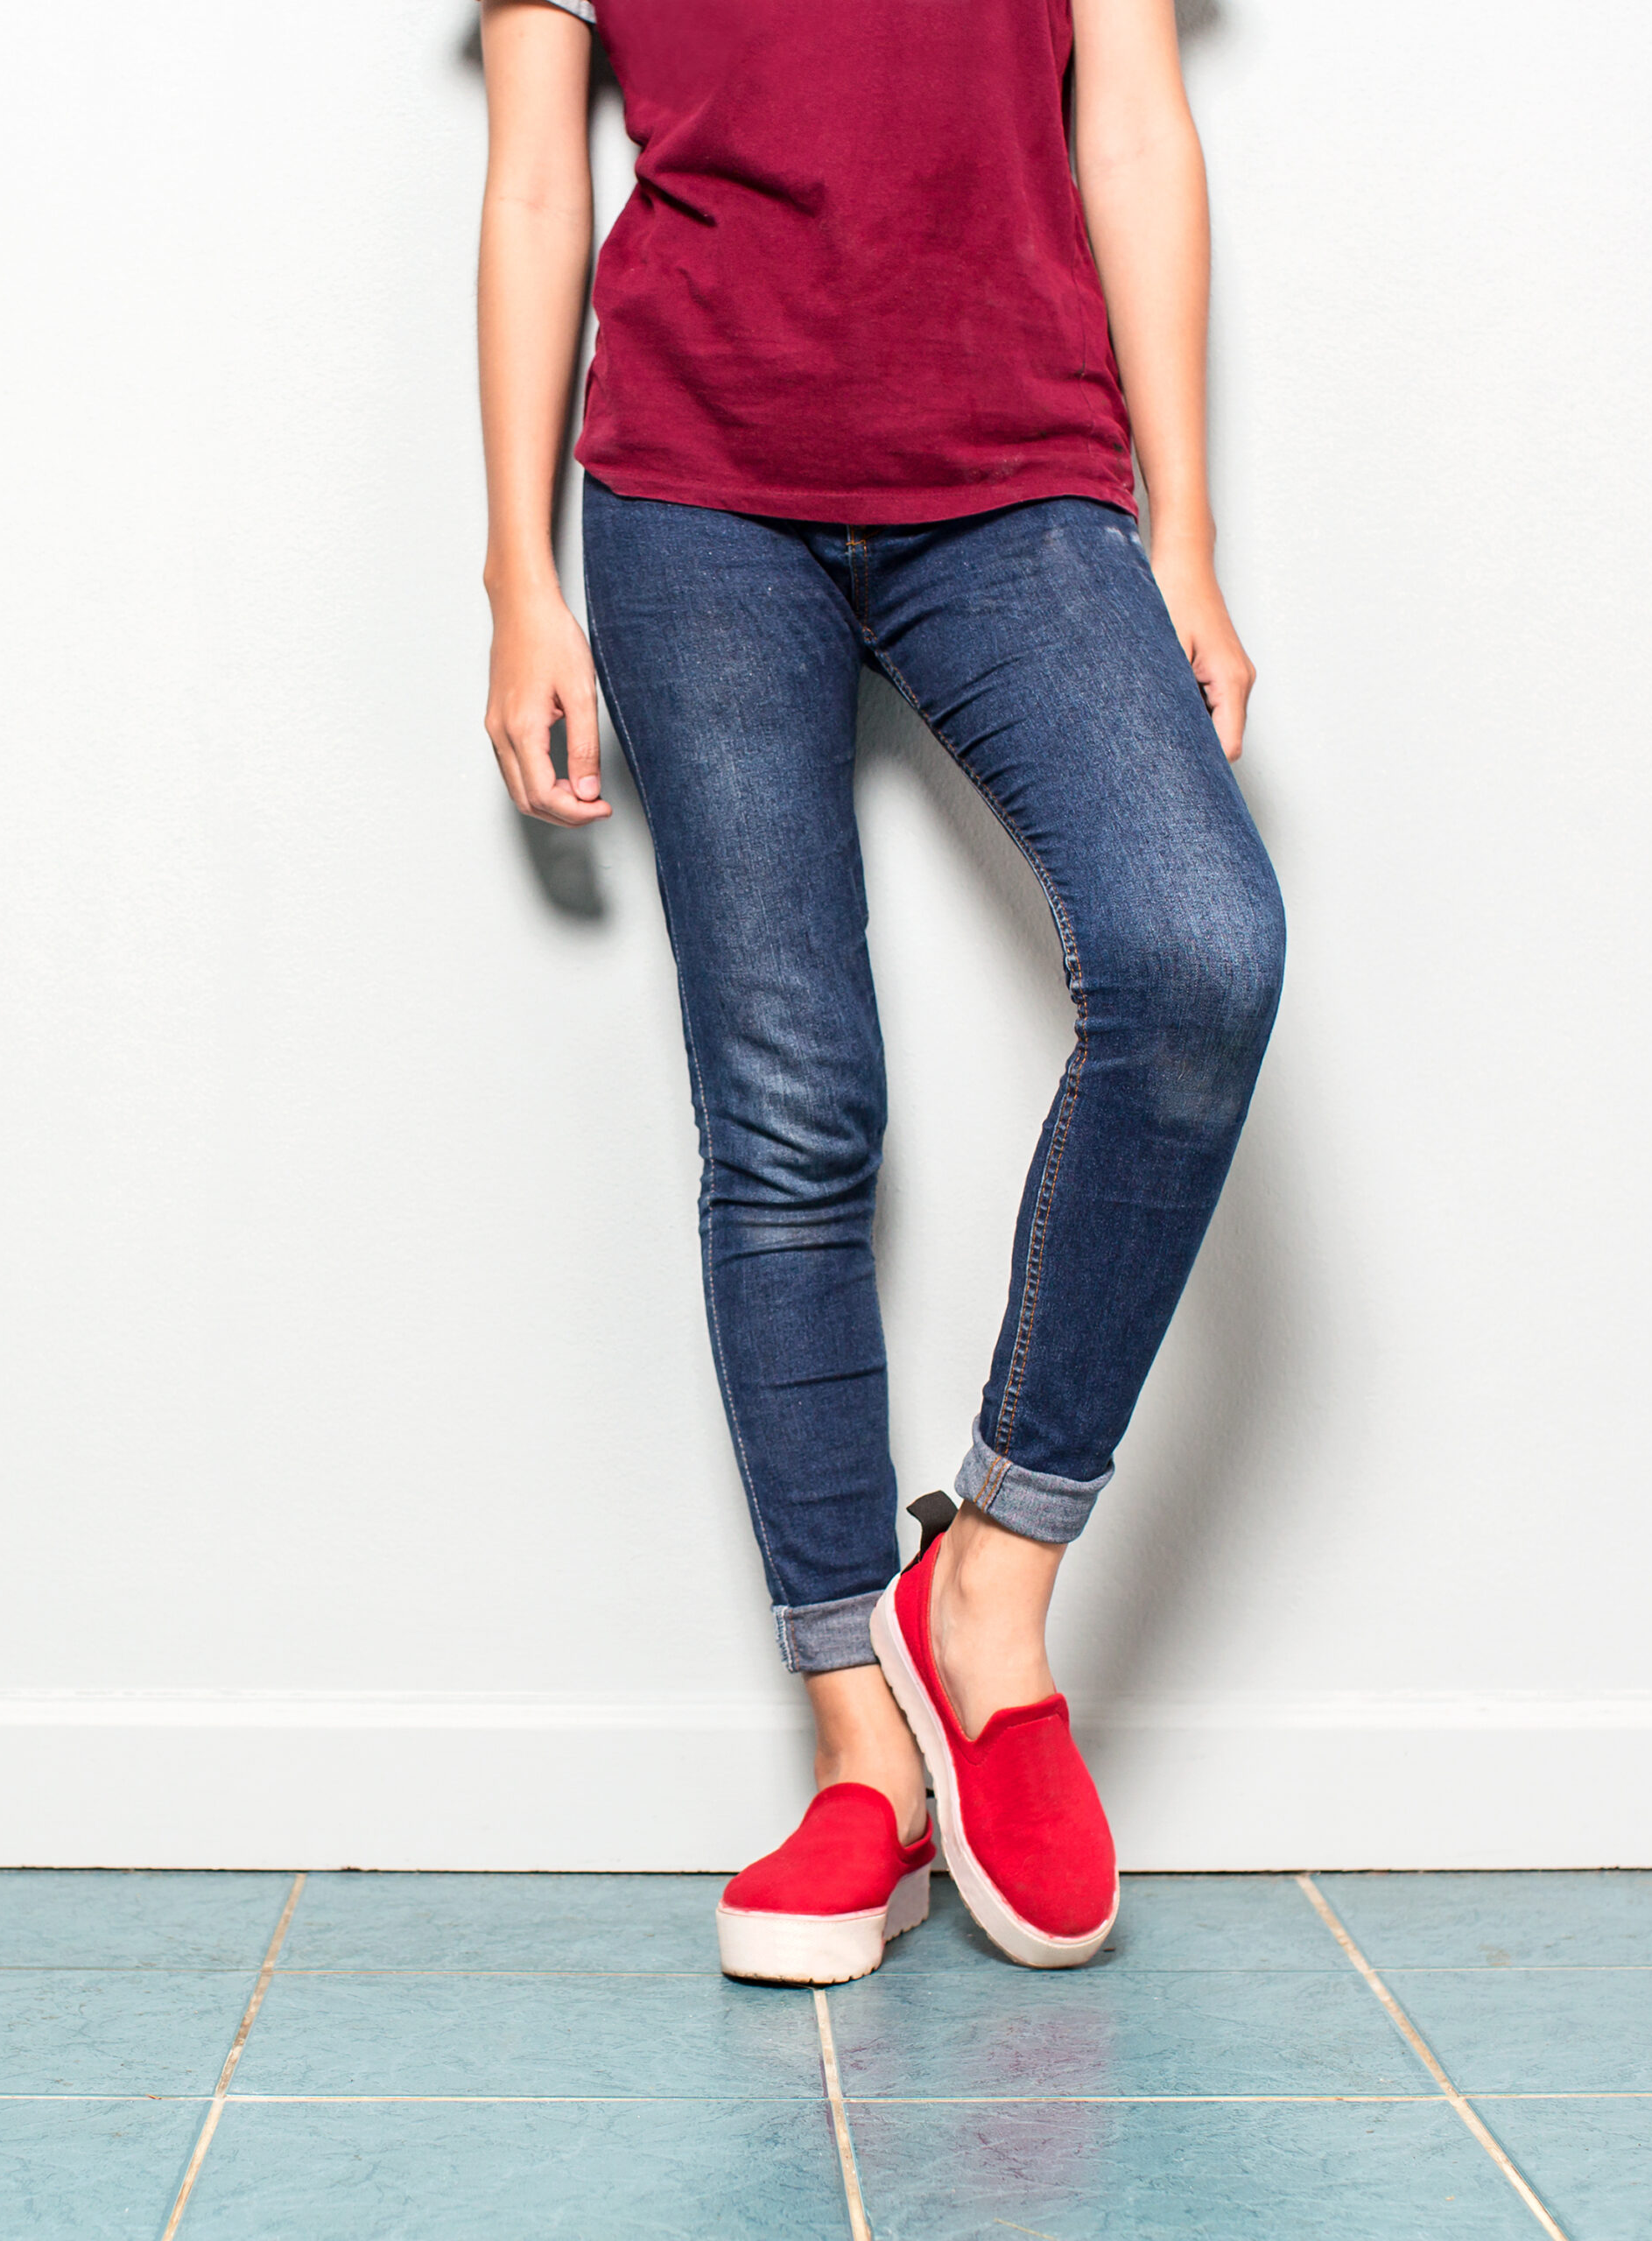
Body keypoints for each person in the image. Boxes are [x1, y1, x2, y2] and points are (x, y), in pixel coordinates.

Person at [476, 0, 1287, 1984]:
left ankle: (984, 1598)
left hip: (1018, 477)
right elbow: (528, 176)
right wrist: (517, 573)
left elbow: (1136, 125)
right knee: (788, 1108)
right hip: (689, 496)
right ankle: (867, 1755)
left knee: (1200, 951)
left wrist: (1180, 530)